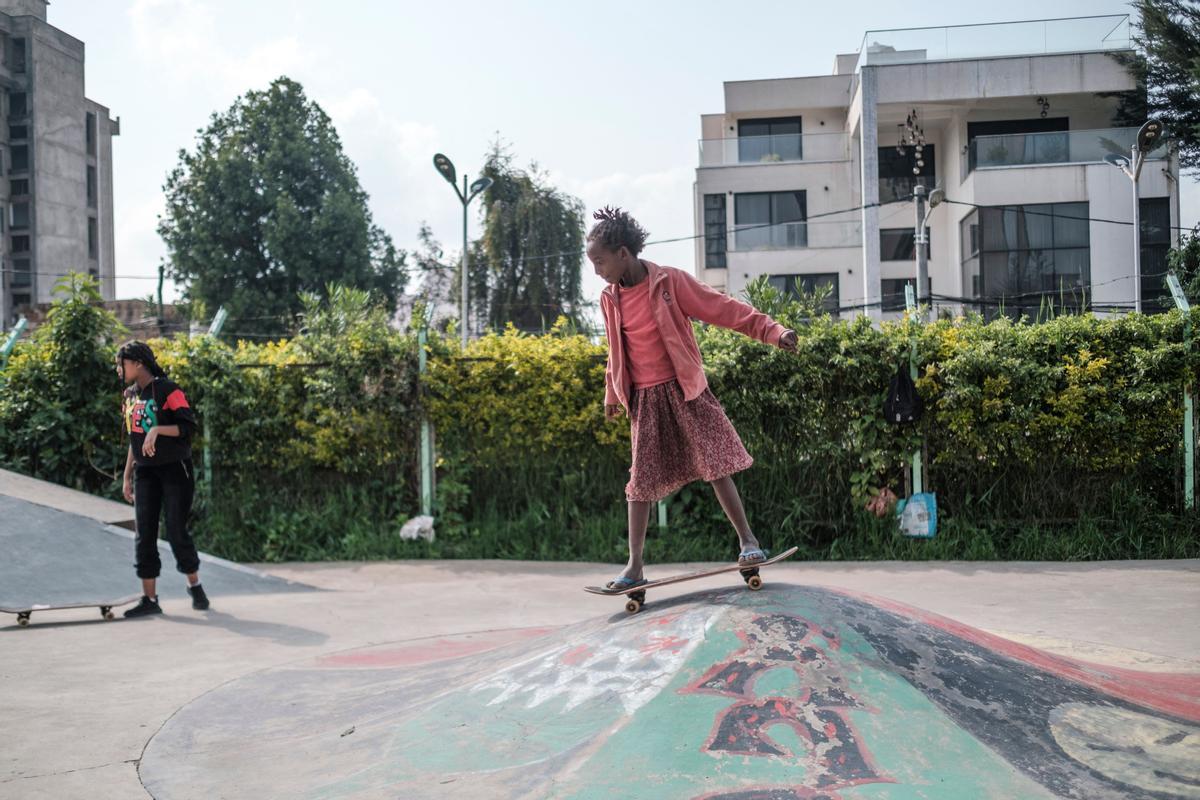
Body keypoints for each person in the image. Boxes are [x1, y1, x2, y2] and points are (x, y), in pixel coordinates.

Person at [588, 207, 797, 591]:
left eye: (599, 261)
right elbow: (615, 350)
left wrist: (773, 331)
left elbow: (723, 310)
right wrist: (611, 393)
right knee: (641, 482)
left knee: (716, 465)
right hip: (645, 402)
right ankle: (634, 566)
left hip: (685, 390)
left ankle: (748, 542)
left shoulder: (669, 282)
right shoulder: (609, 298)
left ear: (622, 253)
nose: (597, 270)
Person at [115, 340, 209, 617]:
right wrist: (127, 476)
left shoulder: (170, 390)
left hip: (174, 469)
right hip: (145, 472)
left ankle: (196, 586)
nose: (118, 369)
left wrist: (157, 430)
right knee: (144, 534)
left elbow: (187, 425)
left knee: (176, 531)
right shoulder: (129, 396)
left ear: (138, 363)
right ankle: (150, 600)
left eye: (122, 363)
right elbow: (135, 439)